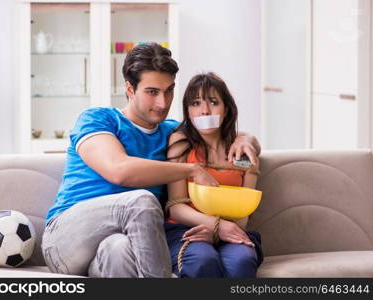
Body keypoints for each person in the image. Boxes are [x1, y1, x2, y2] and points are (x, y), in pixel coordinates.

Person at [41, 43, 261, 278]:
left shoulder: (172, 133)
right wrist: (191, 170)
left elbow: (214, 127)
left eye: (169, 91)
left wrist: (246, 139)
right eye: (152, 92)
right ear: (129, 89)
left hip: (117, 245)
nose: (163, 103)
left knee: (118, 249)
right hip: (66, 240)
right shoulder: (98, 119)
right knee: (142, 202)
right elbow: (119, 170)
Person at [164, 72, 263, 278]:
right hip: (187, 228)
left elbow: (245, 211)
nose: (204, 111)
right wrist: (215, 226)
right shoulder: (180, 143)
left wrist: (218, 231)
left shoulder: (243, 150)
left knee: (242, 261)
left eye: (213, 102)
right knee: (202, 261)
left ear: (226, 109)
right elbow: (175, 207)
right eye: (196, 103)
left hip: (233, 229)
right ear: (188, 112)